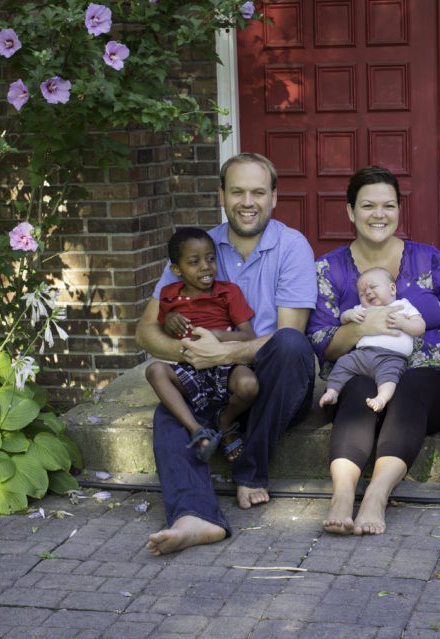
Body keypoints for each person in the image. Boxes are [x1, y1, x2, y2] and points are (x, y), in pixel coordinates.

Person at [137, 153, 317, 555]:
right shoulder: (196, 247)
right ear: (221, 195)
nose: (247, 201)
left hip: (274, 386)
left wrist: (220, 355)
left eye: (257, 192)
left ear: (274, 196)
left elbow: (288, 337)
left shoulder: (292, 247)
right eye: (237, 191)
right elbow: (146, 331)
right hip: (210, 382)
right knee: (169, 411)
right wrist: (189, 353)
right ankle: (193, 518)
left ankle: (251, 470)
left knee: (289, 345)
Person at [307, 165, 440, 536]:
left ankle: (377, 496)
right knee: (360, 390)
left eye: (389, 205)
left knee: (411, 387)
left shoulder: (431, 261)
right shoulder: (327, 269)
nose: (379, 214)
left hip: (428, 382)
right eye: (367, 206)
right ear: (350, 212)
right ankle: (342, 497)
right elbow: (321, 343)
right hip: (361, 376)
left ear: (399, 210)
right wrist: (365, 326)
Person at [144, 227, 259, 463]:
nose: (205, 266)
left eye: (210, 258)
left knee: (249, 385)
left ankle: (225, 421)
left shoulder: (228, 292)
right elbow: (164, 329)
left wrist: (217, 336)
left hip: (226, 364)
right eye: (194, 262)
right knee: (154, 370)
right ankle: (196, 429)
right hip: (190, 368)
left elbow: (249, 335)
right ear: (176, 269)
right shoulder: (168, 295)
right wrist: (168, 321)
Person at [318, 267, 425, 412]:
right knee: (343, 363)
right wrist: (349, 315)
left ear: (392, 289)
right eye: (362, 293)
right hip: (362, 355)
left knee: (390, 377)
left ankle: (382, 398)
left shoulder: (403, 306)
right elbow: (343, 319)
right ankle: (332, 391)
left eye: (373, 287)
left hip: (391, 357)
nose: (367, 292)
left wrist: (403, 323)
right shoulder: (362, 309)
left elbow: (420, 326)